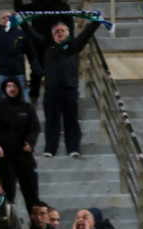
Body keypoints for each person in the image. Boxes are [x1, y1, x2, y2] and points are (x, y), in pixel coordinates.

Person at [26, 17, 104, 158]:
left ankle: (73, 148)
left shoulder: (74, 46)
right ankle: (50, 149)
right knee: (51, 121)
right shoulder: (46, 46)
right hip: (51, 91)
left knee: (71, 120)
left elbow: (86, 34)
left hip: (69, 90)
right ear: (52, 35)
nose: (59, 33)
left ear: (68, 33)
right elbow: (32, 34)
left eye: (62, 30)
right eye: (57, 31)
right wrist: (22, 22)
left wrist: (96, 21)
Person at [0, 77, 40, 207]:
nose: (12, 89)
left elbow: (34, 128)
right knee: (5, 196)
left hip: (24, 155)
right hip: (5, 157)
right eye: (9, 86)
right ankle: (6, 218)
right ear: (5, 89)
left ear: (19, 88)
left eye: (14, 86)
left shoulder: (27, 108)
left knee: (31, 193)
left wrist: (30, 143)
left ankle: (35, 219)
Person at [0, 10, 40, 102]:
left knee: (24, 101)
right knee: (0, 103)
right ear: (0, 21)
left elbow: (31, 53)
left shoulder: (22, 34)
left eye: (9, 17)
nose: (7, 19)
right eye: (4, 17)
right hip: (2, 73)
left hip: (19, 73)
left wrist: (36, 68)